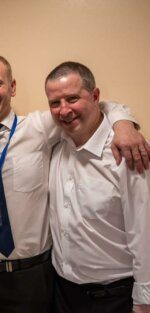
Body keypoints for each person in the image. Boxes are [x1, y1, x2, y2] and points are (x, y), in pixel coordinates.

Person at [0, 53, 148, 313]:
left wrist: (124, 124)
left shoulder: (42, 127)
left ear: (12, 87)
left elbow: (99, 106)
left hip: (33, 277)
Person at [45, 61, 150, 313]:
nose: (63, 110)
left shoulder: (128, 152)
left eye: (72, 98)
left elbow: (144, 230)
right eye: (54, 103)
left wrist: (144, 300)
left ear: (95, 96)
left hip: (114, 297)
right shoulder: (56, 144)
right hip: (62, 293)